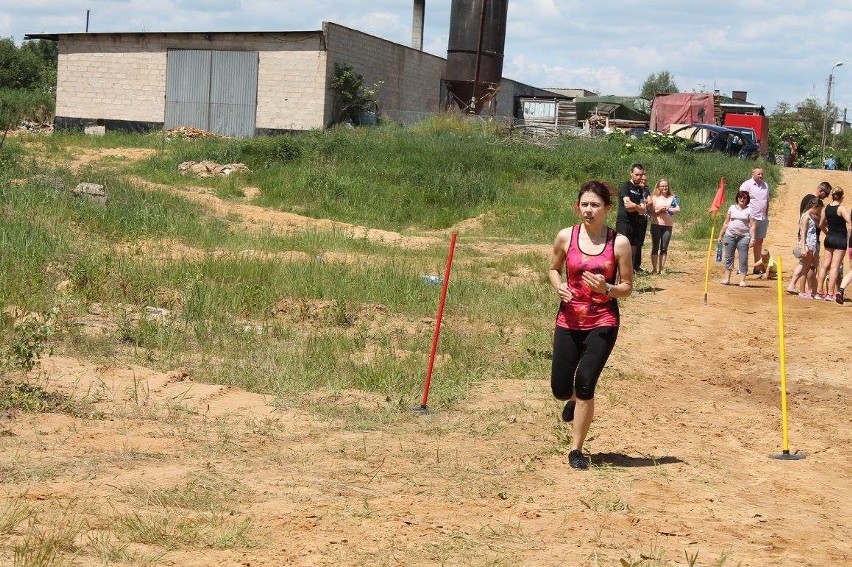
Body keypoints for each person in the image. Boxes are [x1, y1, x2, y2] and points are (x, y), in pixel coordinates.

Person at [548, 180, 633, 470]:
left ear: (607, 209)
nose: (588, 209)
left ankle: (576, 450)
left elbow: (627, 287)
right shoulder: (565, 237)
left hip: (603, 320)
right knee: (560, 388)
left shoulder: (618, 243)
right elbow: (553, 269)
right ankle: (570, 399)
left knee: (585, 382)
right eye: (584, 204)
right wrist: (559, 286)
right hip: (569, 318)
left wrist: (606, 288)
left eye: (595, 204)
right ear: (577, 207)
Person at [787, 182, 831, 294]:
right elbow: (815, 218)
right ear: (821, 191)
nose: (826, 197)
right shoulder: (812, 200)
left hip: (808, 235)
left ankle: (798, 286)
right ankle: (808, 289)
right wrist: (825, 226)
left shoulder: (808, 198)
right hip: (809, 236)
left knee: (804, 264)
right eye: (826, 194)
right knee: (808, 264)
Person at [815, 187, 850, 301]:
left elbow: (820, 223)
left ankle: (819, 292)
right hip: (840, 239)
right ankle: (830, 294)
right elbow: (849, 222)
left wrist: (828, 233)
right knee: (834, 267)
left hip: (829, 239)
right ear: (842, 197)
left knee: (825, 265)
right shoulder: (841, 209)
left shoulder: (827, 208)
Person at [718, 189, 756, 287]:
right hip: (730, 235)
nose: (742, 199)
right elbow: (726, 222)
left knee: (743, 258)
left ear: (747, 199)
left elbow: (752, 226)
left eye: (744, 198)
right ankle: (727, 278)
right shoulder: (732, 208)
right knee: (729, 257)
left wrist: (753, 239)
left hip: (744, 237)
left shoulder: (749, 210)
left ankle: (742, 280)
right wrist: (721, 234)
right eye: (740, 197)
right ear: (737, 198)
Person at [616, 163, 648, 273]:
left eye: (640, 175)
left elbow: (643, 210)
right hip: (624, 222)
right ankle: (619, 272)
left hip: (636, 223)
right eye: (636, 174)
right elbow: (627, 206)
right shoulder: (625, 186)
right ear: (631, 173)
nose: (638, 177)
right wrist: (637, 207)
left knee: (633, 248)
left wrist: (635, 206)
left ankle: (629, 272)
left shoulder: (640, 189)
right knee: (622, 248)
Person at [740, 167, 770, 267]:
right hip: (751, 218)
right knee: (746, 242)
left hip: (762, 218)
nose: (761, 176)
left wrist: (766, 215)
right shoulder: (746, 185)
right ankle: (742, 267)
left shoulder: (765, 185)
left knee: (759, 241)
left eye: (761, 174)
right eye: (758, 174)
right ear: (752, 173)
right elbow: (741, 201)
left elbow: (767, 201)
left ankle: (757, 266)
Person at [648, 178, 679, 274]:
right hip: (656, 224)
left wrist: (668, 209)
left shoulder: (673, 197)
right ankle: (654, 269)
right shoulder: (654, 197)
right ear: (658, 187)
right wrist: (659, 210)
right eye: (662, 186)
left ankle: (661, 269)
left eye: (666, 185)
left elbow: (678, 209)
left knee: (664, 247)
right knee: (655, 246)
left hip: (668, 225)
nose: (664, 187)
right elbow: (651, 213)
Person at [796, 197, 824, 298]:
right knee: (806, 268)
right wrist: (803, 247)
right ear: (814, 207)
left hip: (813, 245)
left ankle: (814, 291)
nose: (819, 212)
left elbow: (820, 226)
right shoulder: (806, 217)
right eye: (819, 209)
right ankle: (802, 291)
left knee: (816, 267)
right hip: (808, 245)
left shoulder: (810, 216)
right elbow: (802, 233)